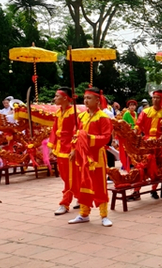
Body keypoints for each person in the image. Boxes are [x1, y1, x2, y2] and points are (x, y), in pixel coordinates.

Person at [68, 87, 113, 226]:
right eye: (85, 98)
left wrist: (89, 138)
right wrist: (74, 149)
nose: (86, 101)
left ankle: (104, 215)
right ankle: (83, 213)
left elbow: (106, 138)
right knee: (83, 183)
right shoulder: (81, 116)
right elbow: (75, 134)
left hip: (96, 156)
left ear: (97, 100)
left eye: (89, 98)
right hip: (82, 156)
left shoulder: (104, 117)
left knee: (99, 185)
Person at [132, 90, 162, 200]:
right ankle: (136, 190)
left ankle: (154, 189)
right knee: (141, 165)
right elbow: (138, 125)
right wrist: (134, 135)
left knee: (159, 167)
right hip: (146, 142)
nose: (155, 100)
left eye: (158, 98)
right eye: (154, 97)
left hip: (160, 145)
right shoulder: (145, 112)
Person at [48, 87, 79, 216]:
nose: (54, 99)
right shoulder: (58, 112)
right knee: (65, 176)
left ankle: (65, 203)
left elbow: (76, 132)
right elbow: (54, 130)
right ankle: (80, 197)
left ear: (65, 98)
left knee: (70, 177)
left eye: (57, 96)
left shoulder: (74, 112)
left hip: (70, 148)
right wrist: (51, 146)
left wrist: (75, 148)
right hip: (60, 147)